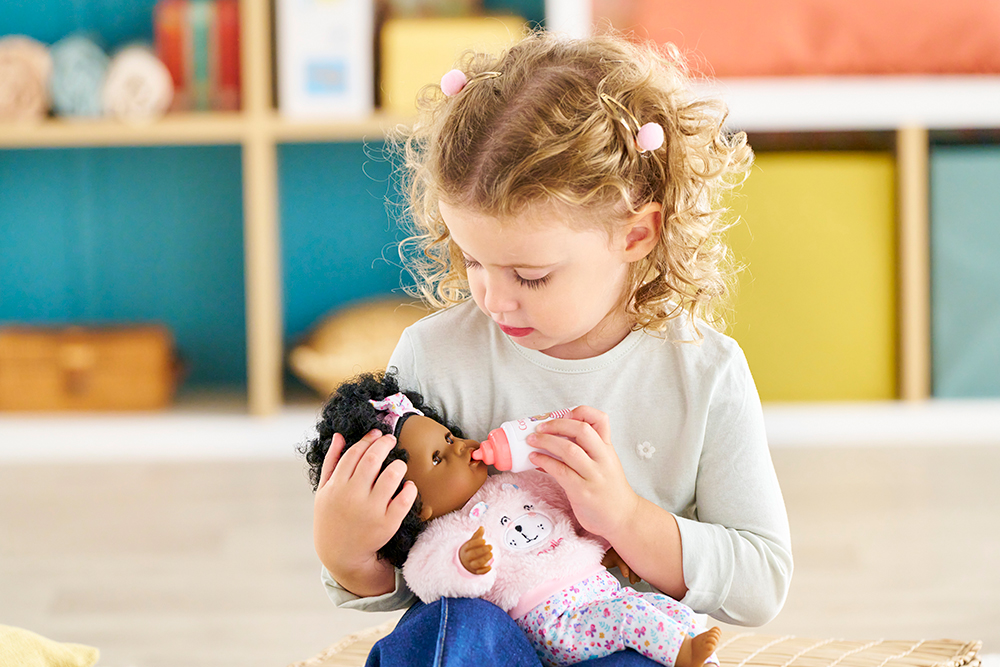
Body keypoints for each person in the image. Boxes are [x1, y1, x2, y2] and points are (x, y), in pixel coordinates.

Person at [310, 29, 792, 666]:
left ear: (636, 234)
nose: (492, 298)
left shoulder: (703, 372)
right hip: (484, 642)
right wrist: (347, 554)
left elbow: (761, 581)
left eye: (530, 276)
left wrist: (625, 518)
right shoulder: (435, 356)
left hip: (620, 638)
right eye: (472, 260)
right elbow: (418, 576)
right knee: (450, 629)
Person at [303, 372, 722, 666]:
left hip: (597, 597)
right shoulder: (447, 533)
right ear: (416, 507)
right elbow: (426, 576)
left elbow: (571, 513)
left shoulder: (520, 484)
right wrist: (464, 563)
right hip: (554, 622)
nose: (461, 446)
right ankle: (682, 653)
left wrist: (613, 541)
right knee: (628, 620)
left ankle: (691, 649)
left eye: (449, 437)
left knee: (659, 610)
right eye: (438, 457)